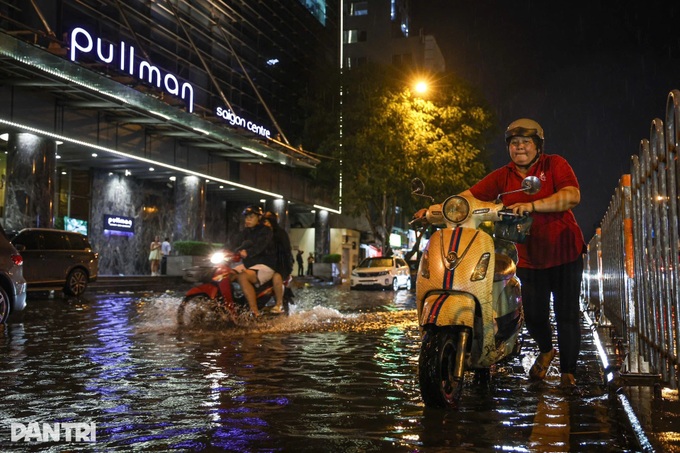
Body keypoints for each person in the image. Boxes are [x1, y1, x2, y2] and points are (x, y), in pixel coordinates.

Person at [459, 118, 586, 389]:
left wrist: (533, 206)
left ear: (538, 146)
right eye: (514, 143)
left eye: (526, 142)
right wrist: (439, 208)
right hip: (530, 258)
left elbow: (572, 196)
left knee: (567, 315)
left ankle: (568, 374)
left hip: (566, 252)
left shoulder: (554, 165)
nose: (520, 148)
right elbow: (469, 197)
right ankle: (546, 350)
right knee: (535, 315)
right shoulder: (503, 176)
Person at [229, 205, 277, 317]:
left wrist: (248, 252)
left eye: (251, 217)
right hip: (250, 264)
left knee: (243, 277)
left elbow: (260, 246)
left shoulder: (266, 231)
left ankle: (254, 312)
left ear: (259, 218)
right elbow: (233, 243)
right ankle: (231, 306)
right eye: (246, 217)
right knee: (227, 274)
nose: (248, 220)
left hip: (265, 264)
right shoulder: (245, 232)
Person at [263, 212, 293, 314]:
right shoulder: (260, 234)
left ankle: (279, 304)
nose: (265, 224)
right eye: (263, 221)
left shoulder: (280, 234)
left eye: (267, 221)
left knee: (276, 277)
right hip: (264, 263)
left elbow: (286, 251)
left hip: (280, 264)